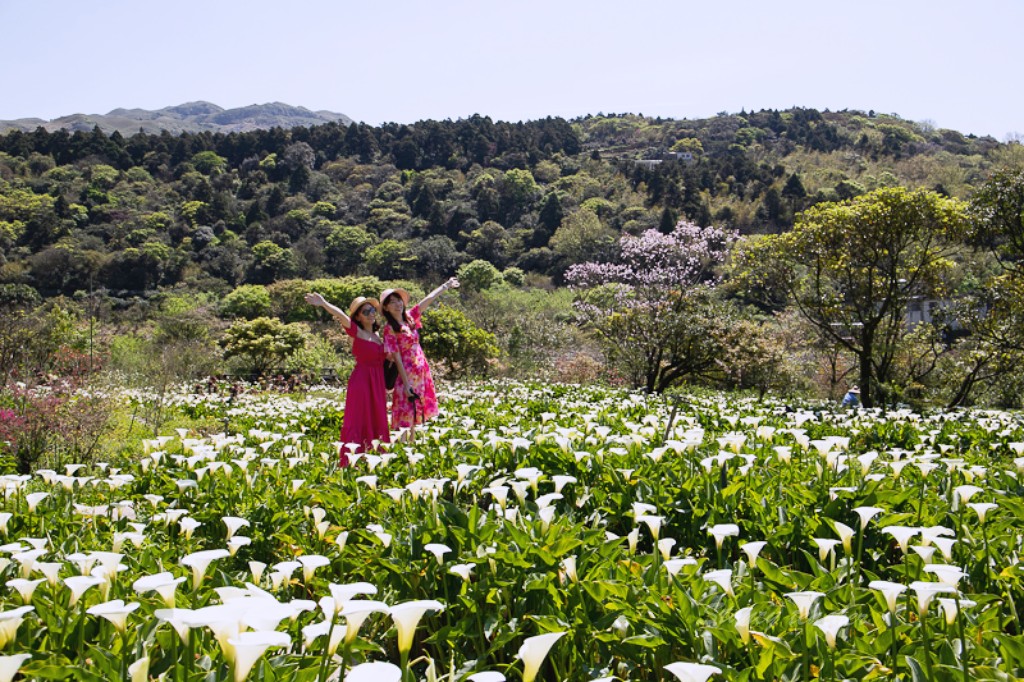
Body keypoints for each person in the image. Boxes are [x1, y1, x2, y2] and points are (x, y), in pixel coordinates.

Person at [304, 292, 411, 464]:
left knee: (377, 415)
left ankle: (376, 456)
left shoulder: (378, 337)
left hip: (377, 382)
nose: (371, 314)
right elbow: (340, 315)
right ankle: (353, 458)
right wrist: (324, 303)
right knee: (359, 416)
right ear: (359, 317)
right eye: (366, 311)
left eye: (372, 310)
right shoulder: (357, 332)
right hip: (362, 380)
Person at [380, 277, 459, 431]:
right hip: (406, 376)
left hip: (421, 371)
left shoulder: (409, 318)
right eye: (393, 302)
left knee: (418, 411)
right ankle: (403, 447)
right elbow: (396, 358)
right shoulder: (390, 328)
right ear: (386, 308)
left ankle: (414, 446)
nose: (398, 304)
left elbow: (428, 299)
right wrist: (406, 383)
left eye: (399, 300)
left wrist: (446, 286)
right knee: (406, 412)